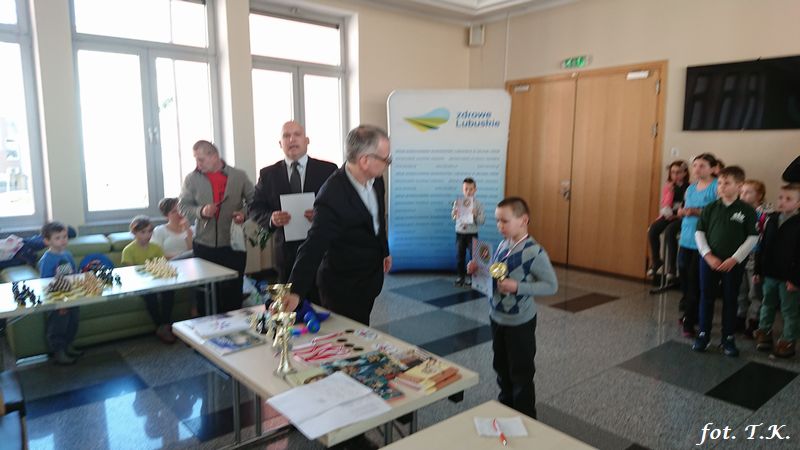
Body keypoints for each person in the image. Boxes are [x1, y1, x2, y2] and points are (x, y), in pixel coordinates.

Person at [282, 125, 392, 325]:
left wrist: (384, 251)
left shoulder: (376, 180)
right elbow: (313, 245)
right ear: (364, 161)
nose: (387, 164)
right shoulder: (332, 195)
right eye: (386, 159)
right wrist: (295, 291)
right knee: (348, 337)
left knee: (362, 329)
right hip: (344, 286)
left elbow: (377, 221)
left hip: (369, 278)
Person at [467, 197, 558, 419]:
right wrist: (478, 269)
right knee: (501, 367)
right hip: (497, 317)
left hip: (519, 322)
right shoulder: (502, 245)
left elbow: (551, 286)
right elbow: (497, 272)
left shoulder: (534, 252)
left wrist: (518, 287)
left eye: (505, 221)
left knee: (521, 373)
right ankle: (506, 409)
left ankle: (525, 418)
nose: (500, 226)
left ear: (523, 220)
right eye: (497, 221)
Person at [250, 121, 337, 284]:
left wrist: (322, 215)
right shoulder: (268, 174)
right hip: (286, 252)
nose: (292, 139)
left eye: (297, 134)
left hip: (323, 249)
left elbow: (340, 205)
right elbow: (255, 207)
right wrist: (271, 218)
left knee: (323, 296)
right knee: (290, 297)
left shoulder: (328, 170)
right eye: (286, 136)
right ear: (280, 143)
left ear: (307, 141)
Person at [179, 140, 254, 313]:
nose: (197, 164)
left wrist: (244, 214)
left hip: (233, 246)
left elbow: (255, 202)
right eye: (196, 159)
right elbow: (182, 206)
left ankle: (234, 329)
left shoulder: (239, 176)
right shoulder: (191, 179)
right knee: (204, 297)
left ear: (214, 156)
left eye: (200, 159)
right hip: (204, 245)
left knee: (232, 296)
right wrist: (201, 211)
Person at [692, 166, 758, 357]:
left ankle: (727, 337)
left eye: (726, 183)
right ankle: (703, 334)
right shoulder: (711, 208)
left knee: (731, 298)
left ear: (739, 185)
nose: (721, 186)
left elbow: (752, 237)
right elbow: (699, 232)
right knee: (707, 297)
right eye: (720, 183)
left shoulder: (747, 210)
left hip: (733, 264)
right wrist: (707, 255)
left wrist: (735, 259)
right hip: (709, 262)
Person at [753, 183, 800, 358]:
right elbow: (763, 245)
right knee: (767, 303)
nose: (782, 201)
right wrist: (758, 270)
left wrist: (796, 279)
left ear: (798, 203)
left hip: (789, 278)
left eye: (788, 199)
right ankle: (764, 332)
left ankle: (788, 340)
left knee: (789, 310)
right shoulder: (771, 219)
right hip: (770, 273)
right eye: (781, 197)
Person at [677, 153, 719, 337]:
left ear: (713, 168)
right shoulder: (691, 188)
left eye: (702, 166)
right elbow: (685, 207)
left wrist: (697, 211)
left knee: (695, 282)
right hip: (686, 238)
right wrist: (682, 211)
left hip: (702, 243)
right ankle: (689, 313)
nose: (697, 169)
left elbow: (718, 212)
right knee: (685, 279)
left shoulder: (716, 186)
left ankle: (690, 321)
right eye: (695, 165)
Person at [121, 216, 175, 344]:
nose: (147, 235)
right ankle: (160, 326)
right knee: (150, 296)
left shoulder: (156, 247)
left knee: (169, 291)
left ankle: (165, 325)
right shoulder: (128, 250)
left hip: (157, 281)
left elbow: (162, 266)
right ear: (134, 233)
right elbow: (130, 273)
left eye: (150, 231)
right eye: (143, 232)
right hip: (140, 283)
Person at [38, 221, 82, 365]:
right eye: (57, 238)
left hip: (71, 296)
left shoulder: (68, 254)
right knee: (58, 326)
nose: (63, 240)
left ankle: (68, 345)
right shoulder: (47, 259)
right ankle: (59, 351)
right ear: (47, 241)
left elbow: (74, 274)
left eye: (64, 237)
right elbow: (46, 283)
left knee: (73, 322)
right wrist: (59, 303)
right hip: (57, 299)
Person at [647, 160, 689, 280]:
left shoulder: (689, 187)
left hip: (681, 217)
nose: (675, 175)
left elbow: (686, 206)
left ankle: (672, 267)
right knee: (653, 230)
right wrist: (670, 192)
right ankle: (656, 261)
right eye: (672, 172)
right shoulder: (669, 186)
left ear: (685, 173)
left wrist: (676, 215)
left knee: (670, 232)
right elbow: (666, 205)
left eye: (678, 172)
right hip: (668, 215)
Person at [737, 180, 768, 336]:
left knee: (754, 292)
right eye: (742, 192)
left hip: (755, 256)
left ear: (759, 195)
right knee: (740, 289)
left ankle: (754, 321)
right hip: (739, 255)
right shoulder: (739, 211)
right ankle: (740, 317)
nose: (743, 195)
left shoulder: (763, 215)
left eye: (748, 192)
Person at [452, 177, 485, 287]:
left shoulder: (478, 204)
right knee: (459, 256)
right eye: (466, 189)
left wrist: (475, 215)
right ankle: (460, 277)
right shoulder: (458, 202)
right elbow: (453, 217)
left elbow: (482, 221)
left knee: (473, 257)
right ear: (462, 190)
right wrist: (455, 214)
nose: (468, 191)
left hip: (472, 234)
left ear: (475, 190)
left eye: (471, 189)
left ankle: (472, 279)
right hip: (460, 234)